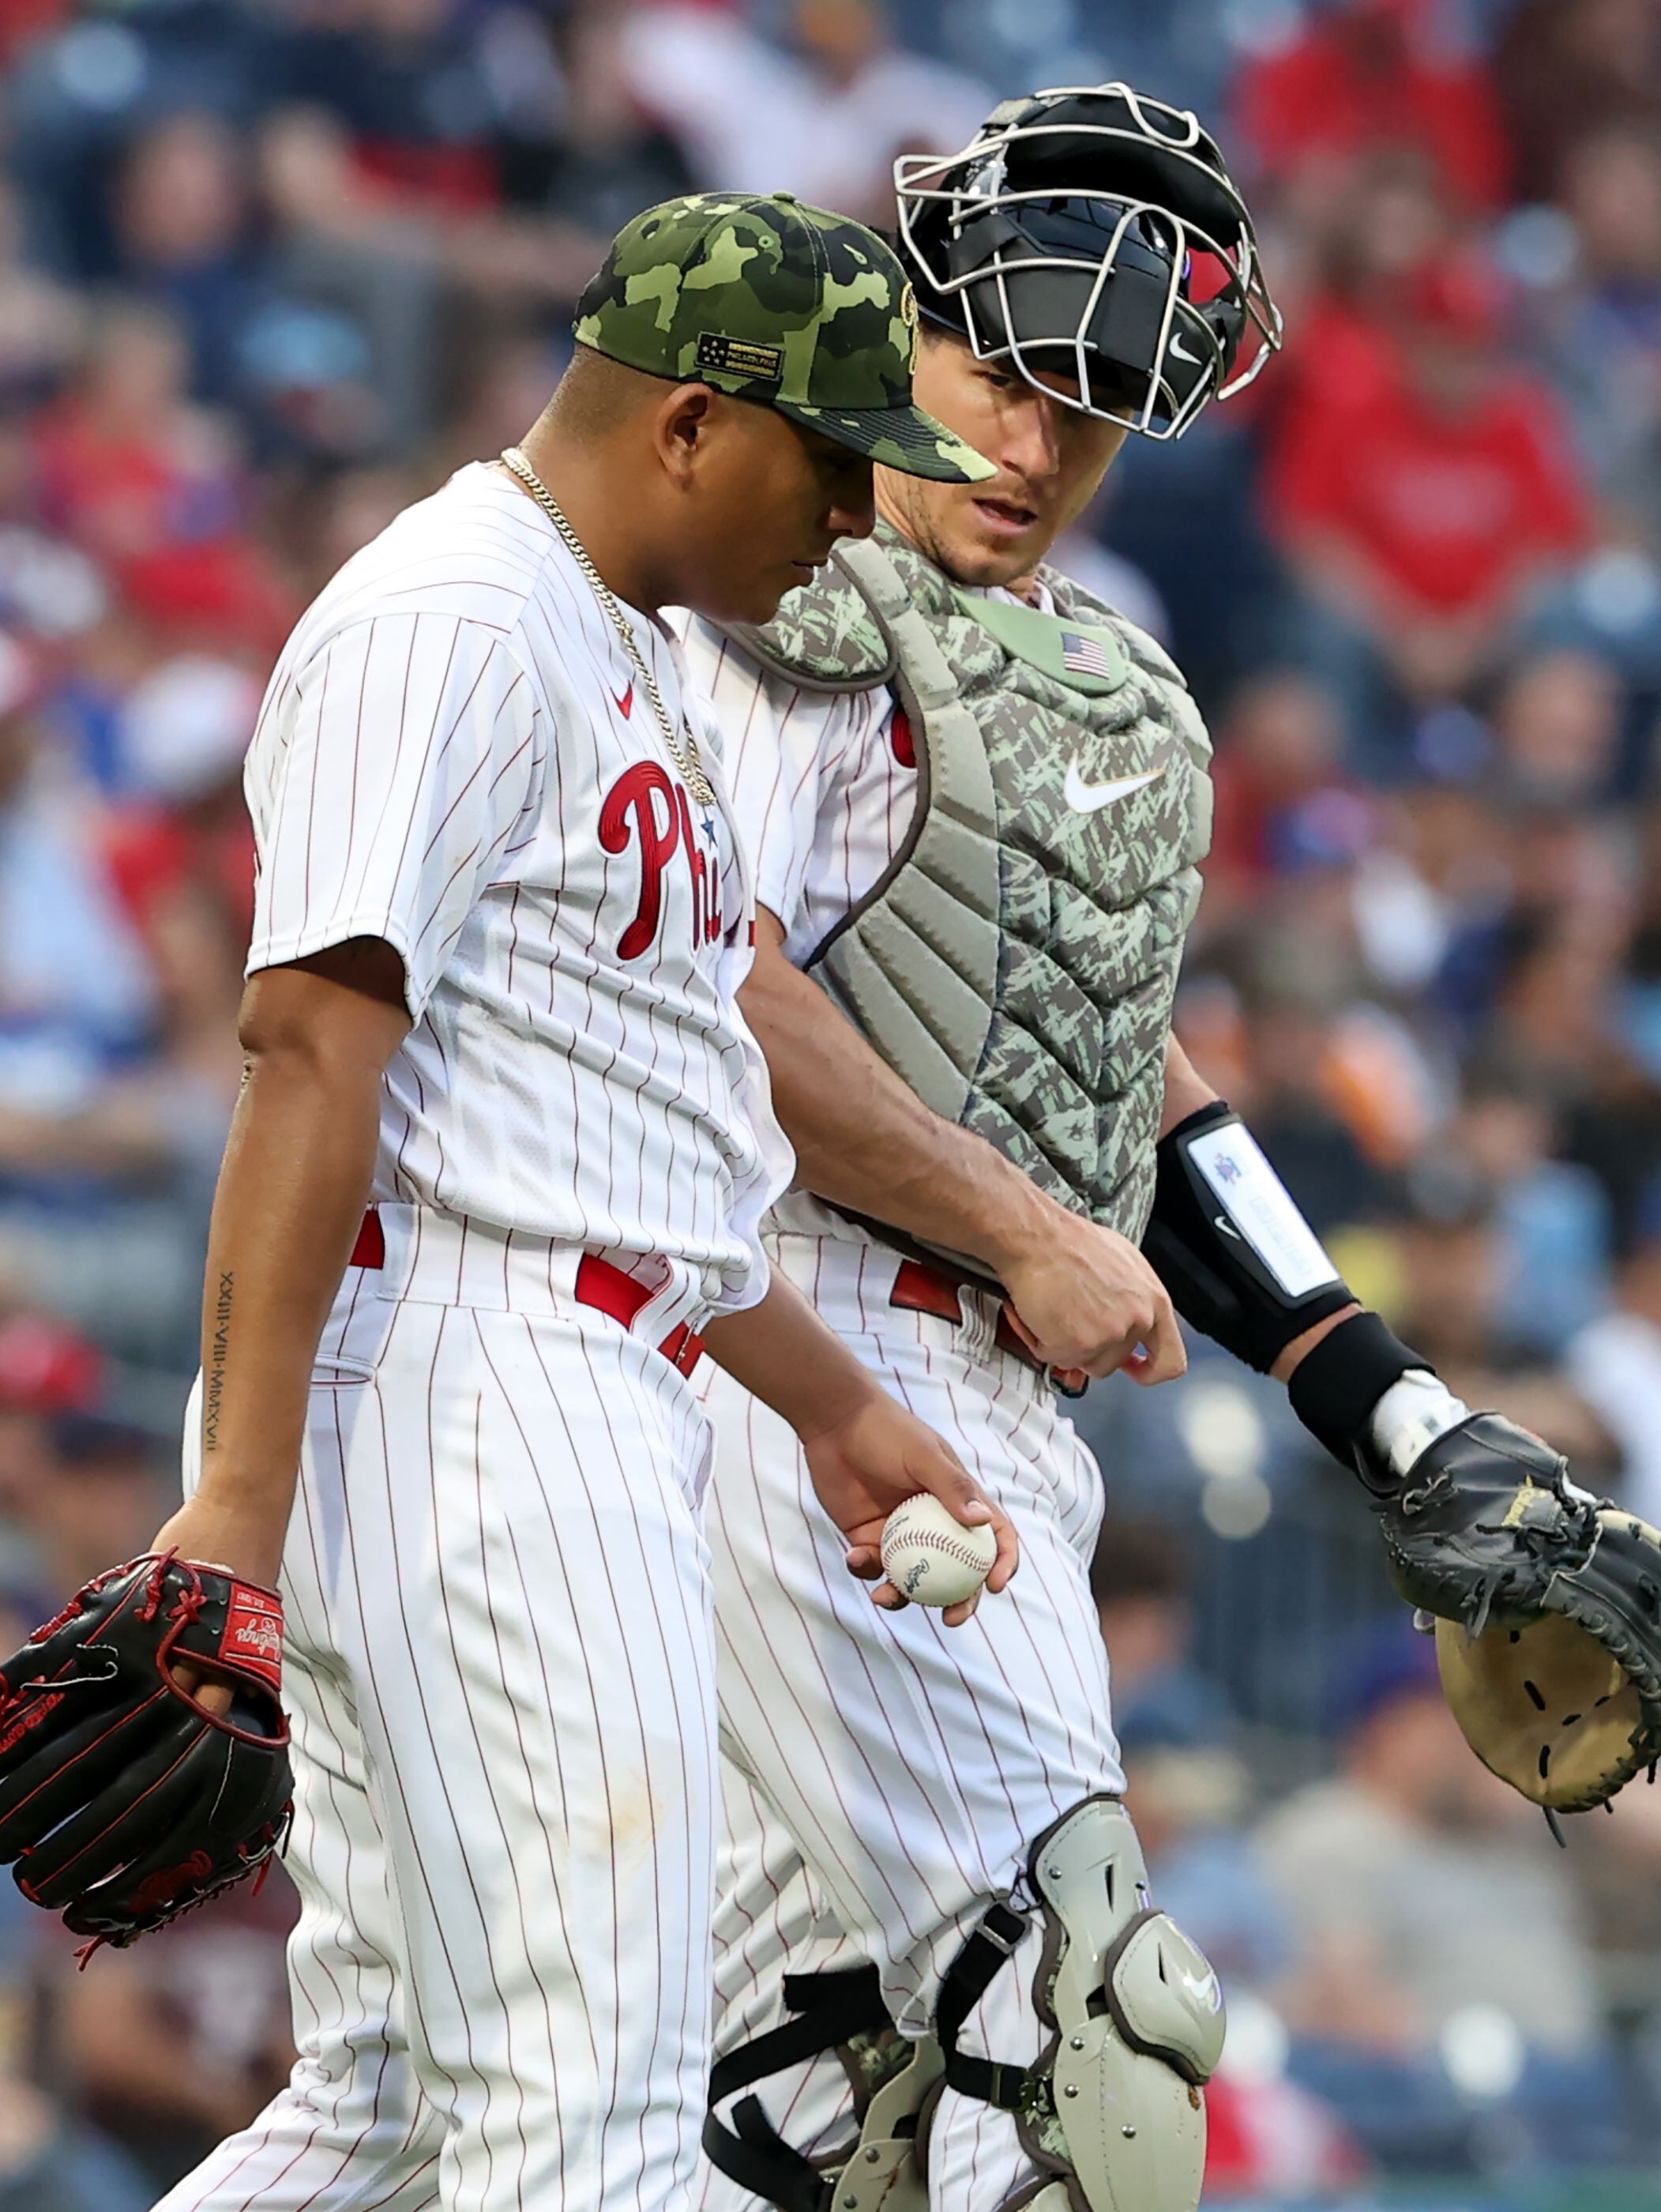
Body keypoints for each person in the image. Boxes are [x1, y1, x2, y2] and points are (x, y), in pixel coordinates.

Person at [678, 88, 1610, 2212]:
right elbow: (708, 988)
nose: (1029, 449)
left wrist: (1380, 1400)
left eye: (1093, 413)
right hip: (802, 1364)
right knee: (1085, 2017)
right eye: (1002, 376)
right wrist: (1022, 1223)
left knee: (781, 2125)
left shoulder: (1110, 669)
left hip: (989, 1411)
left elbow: (1126, 1068)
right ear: (902, 327)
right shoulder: (784, 595)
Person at [141, 192, 1017, 2212]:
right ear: (697, 423)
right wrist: (237, 1513)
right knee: (592, 2125)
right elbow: (310, 1050)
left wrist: (830, 1400)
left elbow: (597, 1125)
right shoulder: (449, 615)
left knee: (382, 2106)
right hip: (480, 1400)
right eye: (835, 458)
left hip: (545, 1357)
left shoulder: (608, 637)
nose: (864, 516)